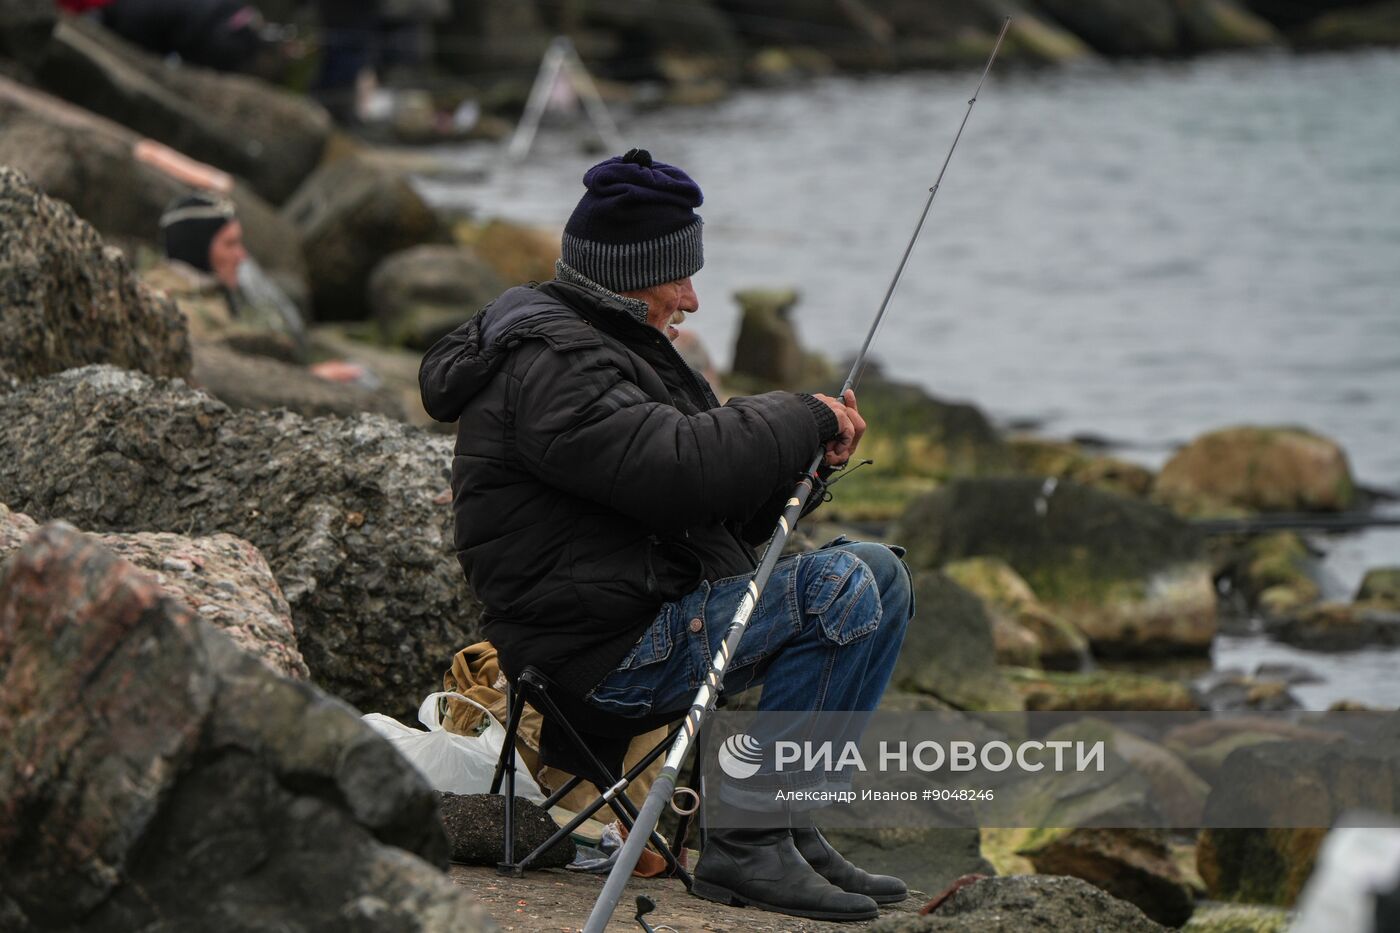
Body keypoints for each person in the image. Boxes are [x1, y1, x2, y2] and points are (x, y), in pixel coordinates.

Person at [419, 149, 914, 922]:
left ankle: (783, 820)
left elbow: (706, 505)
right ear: (624, 276)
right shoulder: (552, 366)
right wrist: (800, 415)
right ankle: (744, 844)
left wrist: (802, 472)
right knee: (839, 588)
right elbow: (678, 468)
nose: (692, 297)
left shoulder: (616, 349)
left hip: (649, 611)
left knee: (880, 571)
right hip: (597, 656)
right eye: (677, 276)